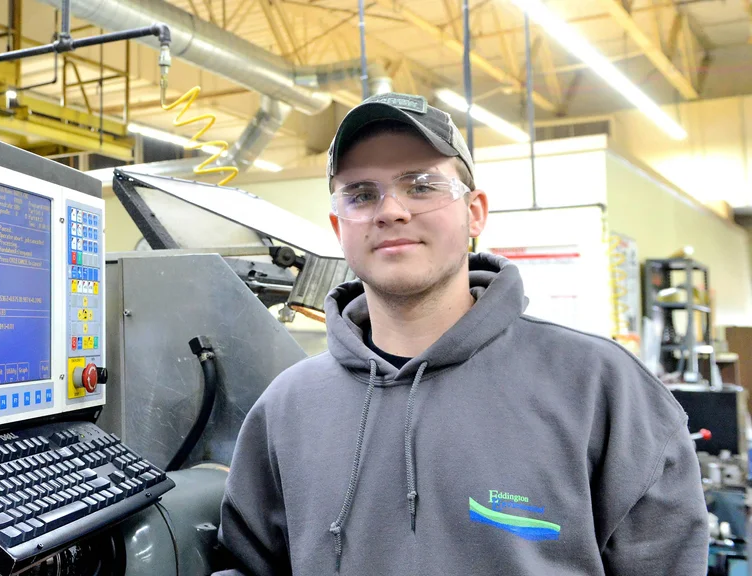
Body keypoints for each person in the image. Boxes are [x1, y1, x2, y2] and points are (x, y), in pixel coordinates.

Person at [215, 92, 708, 575]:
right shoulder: (287, 408)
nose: (390, 211)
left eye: (421, 185)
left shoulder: (600, 387)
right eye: (362, 194)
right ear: (338, 225)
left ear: (475, 213)